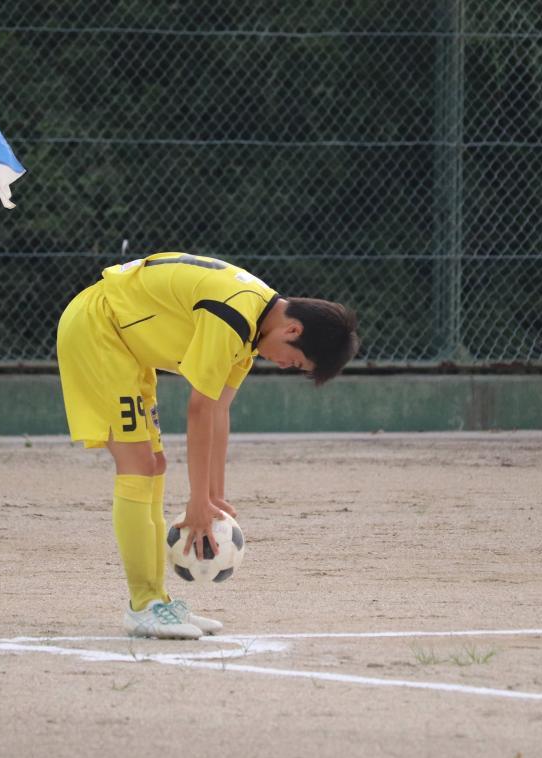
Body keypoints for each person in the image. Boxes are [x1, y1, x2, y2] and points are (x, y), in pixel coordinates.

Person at [56, 252, 359, 639]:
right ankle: (144, 605)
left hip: (125, 345)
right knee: (138, 466)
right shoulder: (233, 316)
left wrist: (214, 497)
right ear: (293, 330)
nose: (285, 366)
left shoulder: (253, 325)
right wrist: (196, 501)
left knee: (154, 465)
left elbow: (219, 410)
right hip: (98, 329)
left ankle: (156, 600)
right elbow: (199, 409)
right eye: (295, 363)